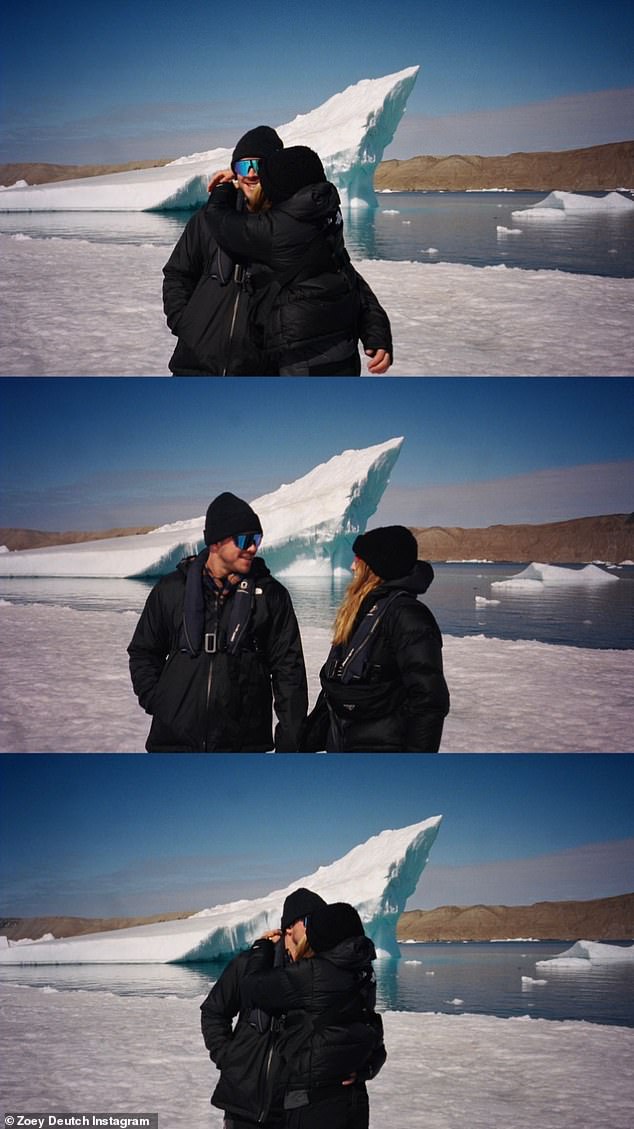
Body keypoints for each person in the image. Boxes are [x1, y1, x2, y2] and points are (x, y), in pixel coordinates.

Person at [127, 491, 307, 751]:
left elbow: (289, 671)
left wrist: (291, 742)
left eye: (257, 539)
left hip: (243, 746)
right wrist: (158, 700)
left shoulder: (271, 596)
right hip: (174, 743)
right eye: (245, 540)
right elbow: (144, 651)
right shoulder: (171, 590)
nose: (253, 548)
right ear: (215, 543)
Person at [206, 145, 393, 376]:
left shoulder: (277, 230)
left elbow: (218, 220)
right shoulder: (326, 213)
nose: (257, 178)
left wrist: (223, 187)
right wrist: (377, 330)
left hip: (303, 357)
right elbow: (348, 275)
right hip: (344, 349)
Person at [239, 902, 386, 1129]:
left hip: (313, 1103)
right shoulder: (364, 971)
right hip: (354, 1100)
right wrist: (367, 1068)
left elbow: (252, 987)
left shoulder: (313, 974)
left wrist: (261, 948)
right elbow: (370, 1027)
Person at [304, 526, 450, 752]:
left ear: (375, 568)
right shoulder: (361, 611)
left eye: (358, 560)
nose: (352, 566)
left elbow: (429, 700)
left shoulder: (407, 616)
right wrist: (304, 740)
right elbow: (338, 684)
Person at [200, 888, 328, 1129]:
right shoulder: (248, 964)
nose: (318, 928)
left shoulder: (319, 973)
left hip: (298, 1109)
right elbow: (214, 1012)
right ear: (290, 926)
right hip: (246, 1107)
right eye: (311, 921)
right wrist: (229, 1059)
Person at [162, 125, 284, 375]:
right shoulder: (206, 221)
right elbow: (177, 274)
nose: (250, 174)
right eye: (242, 166)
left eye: (259, 165)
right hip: (195, 366)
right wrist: (186, 324)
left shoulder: (288, 226)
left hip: (257, 373)